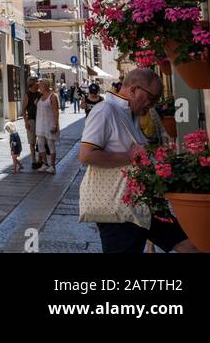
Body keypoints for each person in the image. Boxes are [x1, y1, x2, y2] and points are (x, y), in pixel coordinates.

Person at [79, 68, 198, 253]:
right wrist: (128, 156)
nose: (153, 105)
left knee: (189, 243)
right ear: (133, 90)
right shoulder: (104, 111)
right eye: (151, 98)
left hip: (143, 204)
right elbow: (86, 155)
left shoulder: (131, 113)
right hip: (117, 210)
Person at [35, 80, 60, 173]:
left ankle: (52, 166)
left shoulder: (52, 97)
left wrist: (55, 124)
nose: (39, 88)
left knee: (50, 145)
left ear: (46, 86)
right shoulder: (40, 97)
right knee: (41, 145)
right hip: (40, 124)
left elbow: (56, 111)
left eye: (40, 86)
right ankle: (45, 164)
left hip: (49, 124)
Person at [24, 78, 43, 169]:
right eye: (36, 82)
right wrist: (26, 122)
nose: (38, 84)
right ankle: (33, 160)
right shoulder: (27, 95)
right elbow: (24, 110)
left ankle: (40, 160)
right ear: (32, 84)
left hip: (40, 119)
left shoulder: (40, 94)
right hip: (31, 120)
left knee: (40, 140)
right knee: (32, 141)